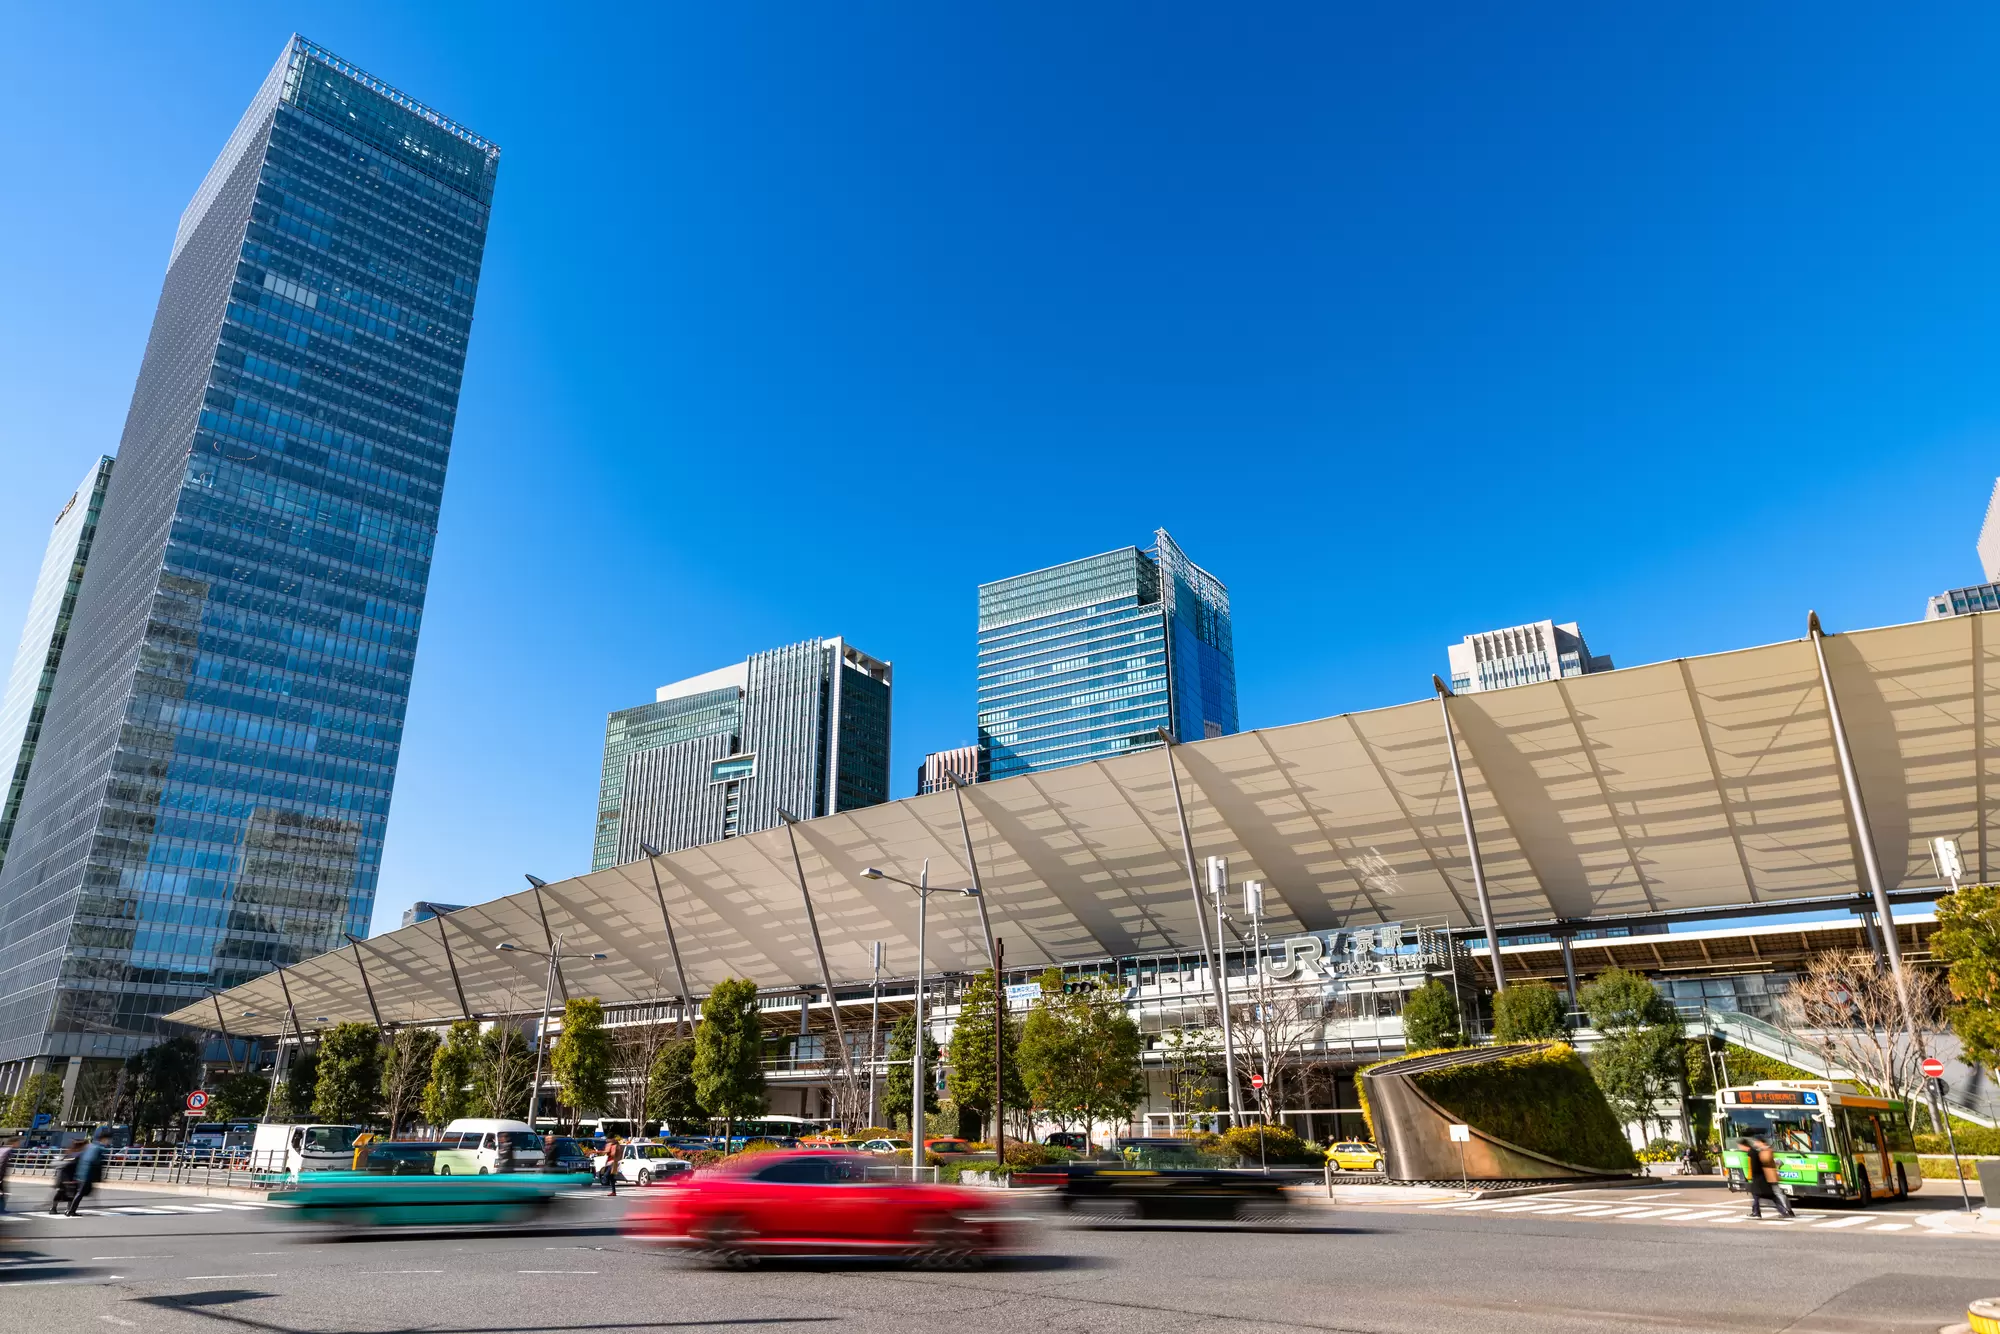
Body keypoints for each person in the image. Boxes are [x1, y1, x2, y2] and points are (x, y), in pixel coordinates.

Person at [1739, 1136, 1794, 1219]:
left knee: (1776, 1194)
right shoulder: (1760, 1151)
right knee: (1765, 1195)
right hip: (1765, 1176)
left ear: (1762, 1142)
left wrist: (1760, 1155)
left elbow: (1767, 1160)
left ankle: (1787, 1211)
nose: (1755, 1144)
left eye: (1757, 1142)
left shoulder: (1767, 1150)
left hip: (1770, 1176)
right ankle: (1784, 1211)